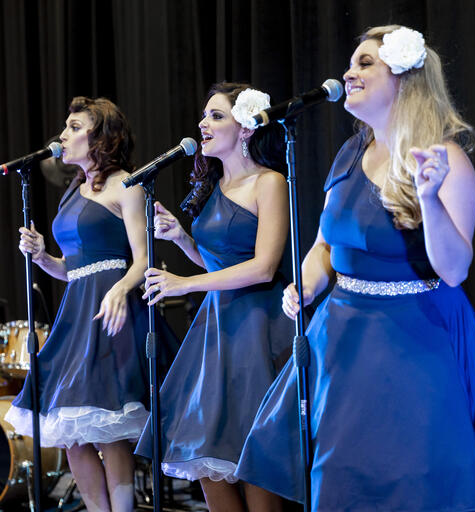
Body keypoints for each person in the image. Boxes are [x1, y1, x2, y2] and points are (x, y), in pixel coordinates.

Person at [235, 25, 475, 511]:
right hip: (342, 340)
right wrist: (307, 285)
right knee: (339, 479)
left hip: (417, 340)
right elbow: (324, 246)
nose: (348, 73)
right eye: (351, 64)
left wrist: (431, 200)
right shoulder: (349, 154)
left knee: (415, 481)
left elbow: (455, 270)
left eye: (365, 63)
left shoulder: (447, 159)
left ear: (404, 79)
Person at [134, 82, 292, 512]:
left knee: (253, 458)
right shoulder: (213, 186)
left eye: (216, 116)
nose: (203, 124)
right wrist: (183, 240)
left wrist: (183, 284)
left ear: (245, 128)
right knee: (207, 463)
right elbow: (217, 265)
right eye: (204, 116)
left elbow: (262, 267)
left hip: (257, 327)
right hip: (216, 329)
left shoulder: (270, 182)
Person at [5, 97, 150, 512]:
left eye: (73, 127)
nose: (63, 135)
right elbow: (72, 269)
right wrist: (42, 256)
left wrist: (121, 289)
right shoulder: (73, 190)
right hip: (77, 312)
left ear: (100, 136)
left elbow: (143, 260)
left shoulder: (128, 183)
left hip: (110, 313)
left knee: (108, 428)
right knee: (72, 434)